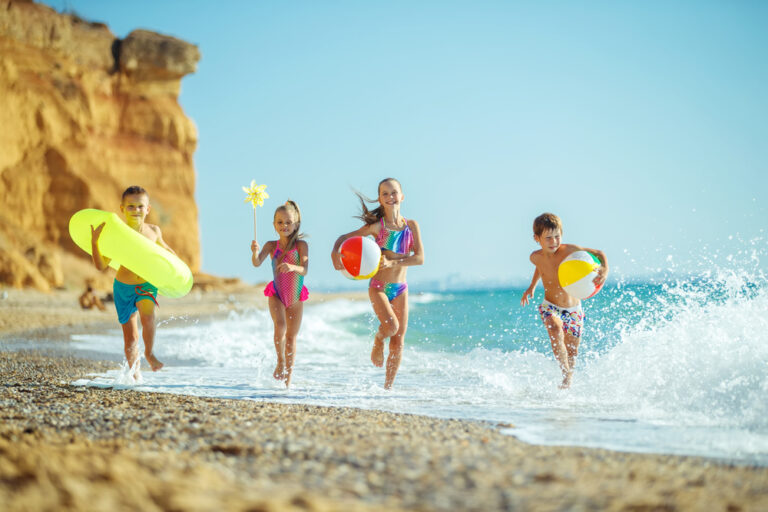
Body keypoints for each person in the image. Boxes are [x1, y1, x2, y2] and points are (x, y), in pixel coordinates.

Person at [331, 178, 424, 389]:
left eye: (394, 192)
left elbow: (419, 258)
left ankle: (387, 389)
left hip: (401, 289)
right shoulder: (377, 227)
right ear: (380, 200)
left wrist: (392, 261)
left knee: (399, 342)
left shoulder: (411, 226)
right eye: (385, 194)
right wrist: (335, 254)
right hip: (379, 287)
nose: (391, 197)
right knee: (391, 327)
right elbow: (343, 238)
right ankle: (377, 340)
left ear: (402, 196)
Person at [91, 186, 172, 378]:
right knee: (131, 338)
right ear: (122, 208)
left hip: (146, 284)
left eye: (140, 206)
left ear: (148, 209)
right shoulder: (118, 234)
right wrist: (95, 244)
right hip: (123, 288)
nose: (136, 210)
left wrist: (177, 269)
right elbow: (101, 265)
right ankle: (135, 375)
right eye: (131, 207)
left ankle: (150, 353)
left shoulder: (154, 231)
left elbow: (168, 253)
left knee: (148, 317)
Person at [520, 212, 608, 389]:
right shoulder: (535, 257)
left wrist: (604, 270)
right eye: (548, 238)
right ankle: (565, 373)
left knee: (572, 350)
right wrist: (532, 286)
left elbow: (599, 253)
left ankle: (569, 379)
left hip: (573, 308)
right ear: (537, 238)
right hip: (550, 305)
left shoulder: (569, 250)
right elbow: (541, 267)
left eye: (557, 236)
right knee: (554, 328)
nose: (554, 242)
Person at [251, 200, 309, 388]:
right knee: (280, 325)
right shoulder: (270, 245)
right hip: (276, 293)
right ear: (274, 224)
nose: (284, 226)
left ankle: (288, 383)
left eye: (288, 222)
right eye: (280, 222)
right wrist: (255, 252)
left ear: (296, 223)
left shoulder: (301, 245)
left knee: (291, 338)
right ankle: (280, 361)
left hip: (296, 296)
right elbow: (256, 263)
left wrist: (292, 266)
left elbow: (305, 269)